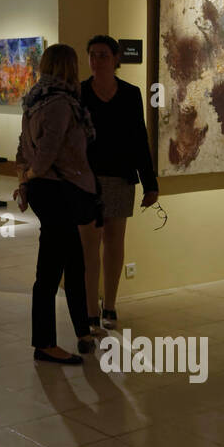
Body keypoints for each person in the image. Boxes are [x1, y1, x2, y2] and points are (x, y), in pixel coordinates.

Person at [15, 44, 100, 364]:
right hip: (57, 191)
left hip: (49, 189)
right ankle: (45, 343)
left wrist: (26, 177)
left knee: (74, 262)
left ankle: (82, 332)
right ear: (69, 66)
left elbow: (24, 146)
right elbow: (47, 152)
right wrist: (30, 177)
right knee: (50, 270)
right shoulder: (62, 103)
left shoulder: (35, 100)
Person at [79, 36, 158, 331]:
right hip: (87, 179)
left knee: (114, 244)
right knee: (89, 246)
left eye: (102, 55)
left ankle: (109, 305)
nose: (96, 60)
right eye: (92, 54)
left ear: (115, 59)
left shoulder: (129, 93)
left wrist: (150, 183)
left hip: (120, 178)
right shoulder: (80, 92)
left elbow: (139, 138)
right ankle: (89, 310)